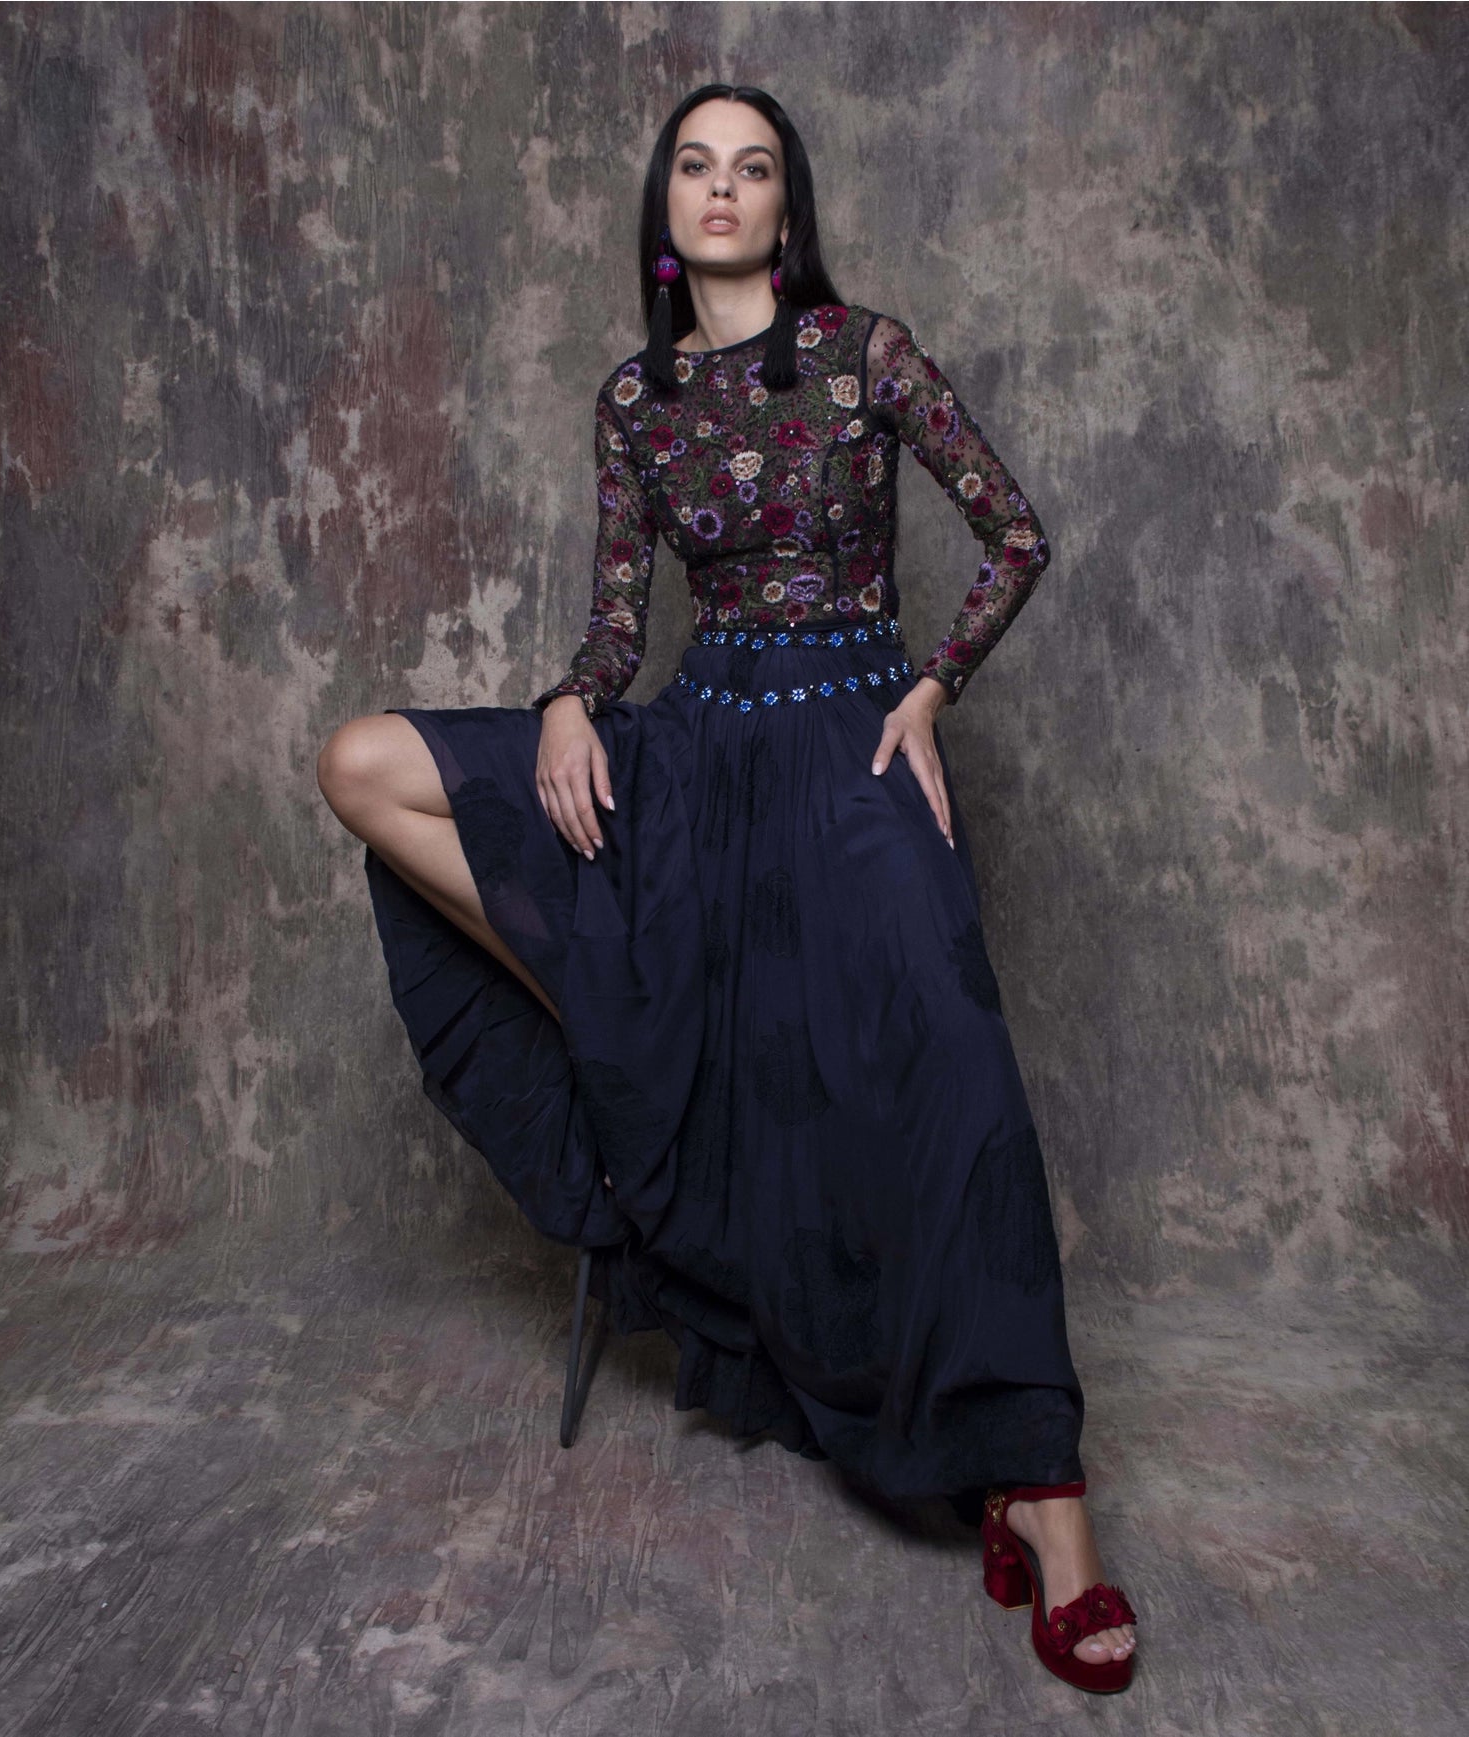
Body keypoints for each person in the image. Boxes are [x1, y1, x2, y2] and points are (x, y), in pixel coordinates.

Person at [317, 83, 1138, 1694]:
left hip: (851, 741)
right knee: (362, 760)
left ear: (783, 208)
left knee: (957, 1068)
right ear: (665, 207)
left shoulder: (862, 354)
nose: (720, 189)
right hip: (702, 746)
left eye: (751, 169)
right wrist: (570, 698)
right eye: (694, 166)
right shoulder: (635, 399)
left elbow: (1014, 536)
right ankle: (627, 1020)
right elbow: (621, 619)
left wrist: (930, 692)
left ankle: (1044, 1497)